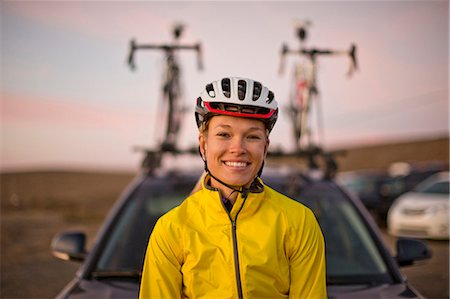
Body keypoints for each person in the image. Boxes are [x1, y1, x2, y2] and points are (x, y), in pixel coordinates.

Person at [139, 77, 327, 298]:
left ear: (265, 148)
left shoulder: (299, 222)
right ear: (203, 144)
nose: (238, 148)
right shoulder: (171, 230)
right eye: (224, 134)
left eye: (252, 136)